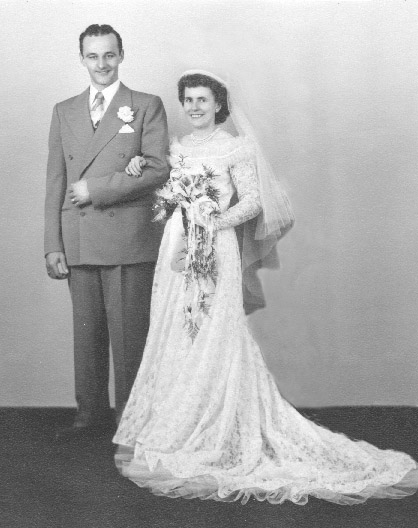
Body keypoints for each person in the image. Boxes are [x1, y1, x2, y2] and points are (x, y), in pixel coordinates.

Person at [112, 70, 418, 505]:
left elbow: (254, 200)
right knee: (175, 328)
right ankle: (176, 421)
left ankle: (215, 425)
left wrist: (213, 221)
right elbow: (165, 191)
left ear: (219, 105)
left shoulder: (234, 147)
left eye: (203, 100)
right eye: (189, 100)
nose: (195, 107)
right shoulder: (176, 148)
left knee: (213, 330)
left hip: (215, 244)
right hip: (176, 245)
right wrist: (140, 166)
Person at [44, 24, 169, 439]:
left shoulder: (146, 105)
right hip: (78, 237)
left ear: (121, 55)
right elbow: (55, 181)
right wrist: (52, 244)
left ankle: (130, 423)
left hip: (127, 239)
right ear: (82, 58)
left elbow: (158, 169)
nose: (102, 64)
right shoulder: (64, 110)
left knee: (129, 339)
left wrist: (95, 190)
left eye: (109, 55)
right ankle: (90, 418)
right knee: (87, 337)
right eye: (93, 56)